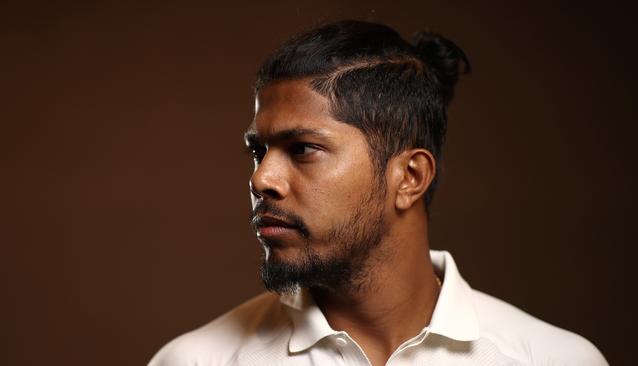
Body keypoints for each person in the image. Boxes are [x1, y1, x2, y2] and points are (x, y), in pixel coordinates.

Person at [148, 20, 608, 366]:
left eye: (302, 148)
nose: (261, 179)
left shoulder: (553, 359)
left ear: (410, 176)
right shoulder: (195, 360)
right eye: (258, 151)